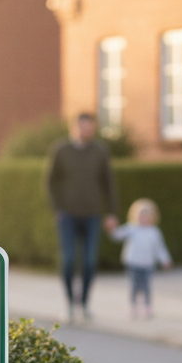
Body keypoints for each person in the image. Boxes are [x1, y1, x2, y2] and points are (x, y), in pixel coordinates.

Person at [45, 112, 117, 321]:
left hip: (92, 215)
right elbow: (50, 182)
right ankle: (69, 302)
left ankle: (84, 303)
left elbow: (109, 183)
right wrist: (58, 209)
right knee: (68, 260)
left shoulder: (100, 152)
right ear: (74, 128)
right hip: (67, 216)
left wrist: (112, 212)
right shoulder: (61, 150)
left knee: (89, 262)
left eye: (90, 128)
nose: (86, 131)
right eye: (82, 127)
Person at [104, 198, 172, 318]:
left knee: (146, 286)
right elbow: (118, 235)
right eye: (141, 215)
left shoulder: (154, 232)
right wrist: (111, 229)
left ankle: (147, 306)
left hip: (148, 263)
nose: (144, 218)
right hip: (133, 262)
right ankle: (134, 306)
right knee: (135, 285)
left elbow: (160, 248)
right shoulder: (132, 228)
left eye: (147, 215)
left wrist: (165, 259)